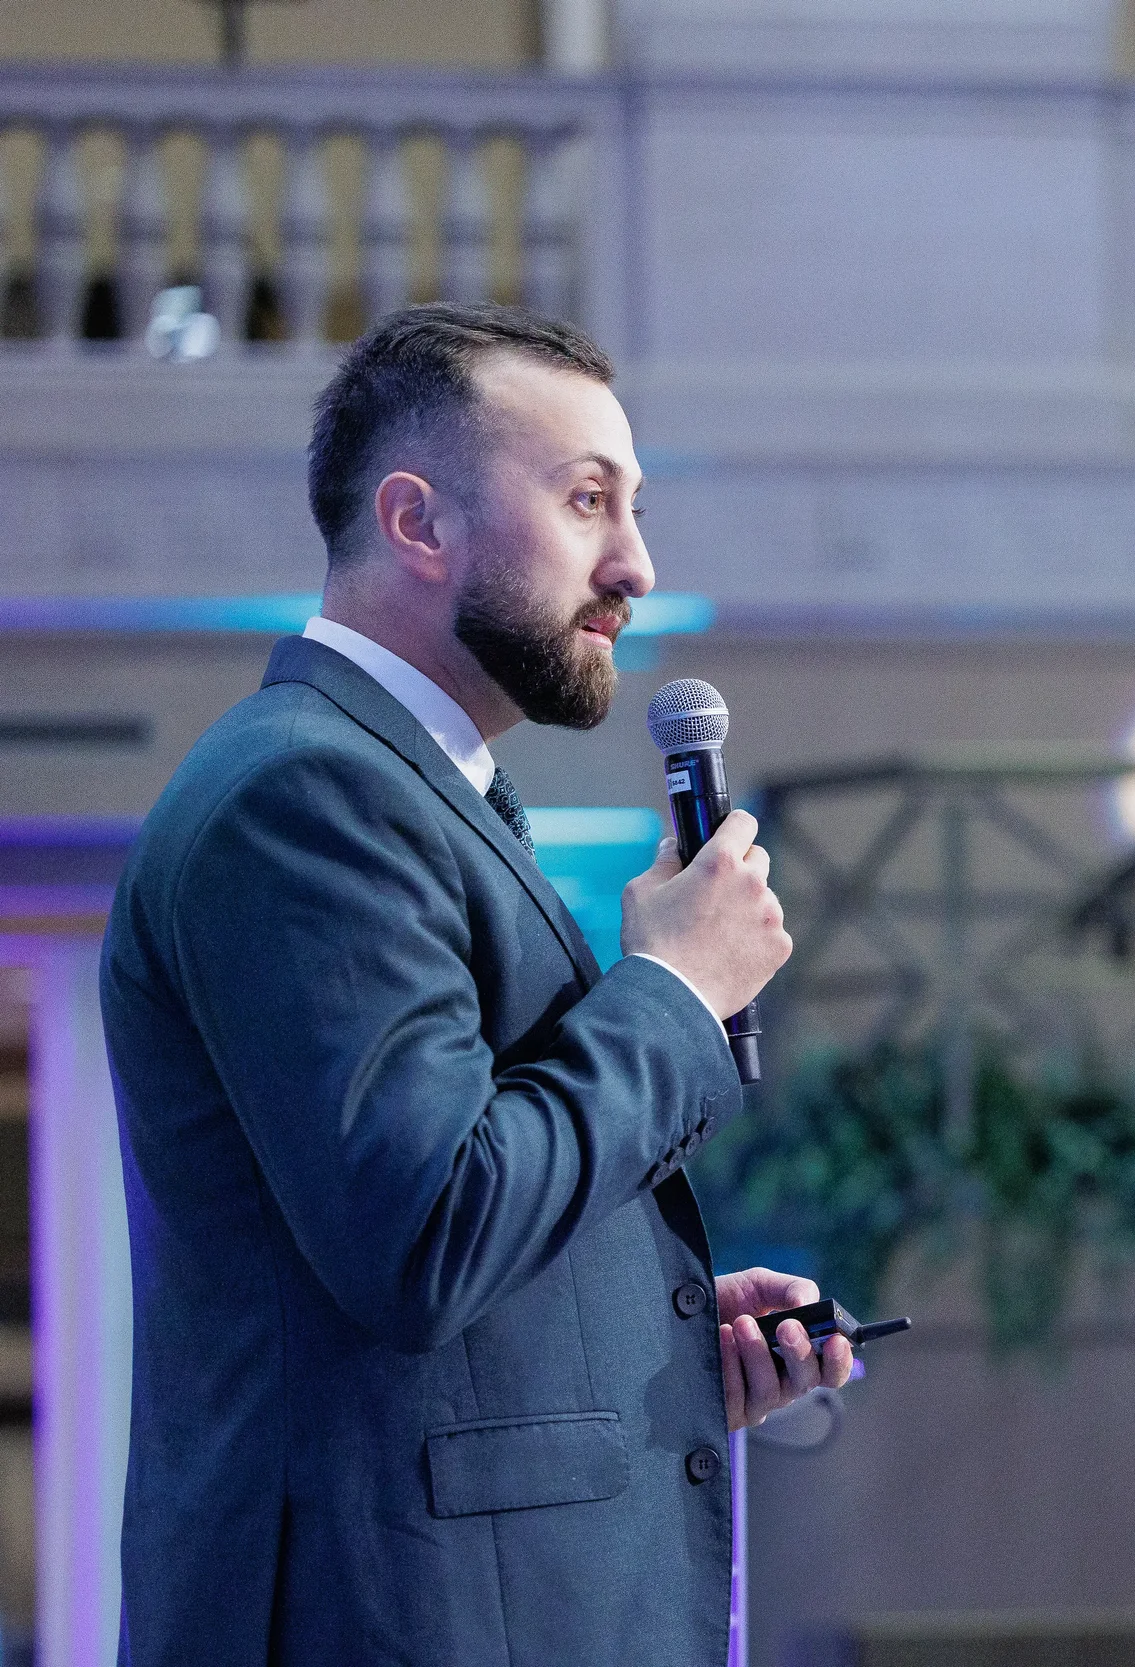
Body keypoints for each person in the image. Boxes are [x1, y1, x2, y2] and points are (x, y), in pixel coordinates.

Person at [102, 303, 854, 1665]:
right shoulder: (306, 792)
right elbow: (426, 1228)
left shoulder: (406, 789)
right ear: (419, 522)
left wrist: (650, 1336)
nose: (633, 563)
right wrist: (677, 988)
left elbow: (423, 1237)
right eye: (586, 501)